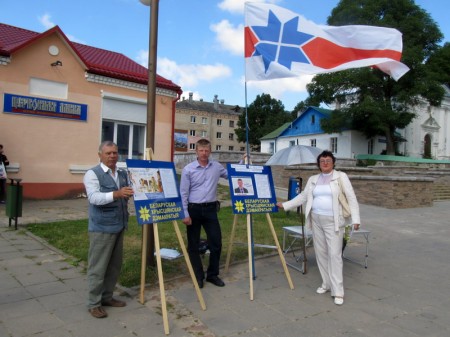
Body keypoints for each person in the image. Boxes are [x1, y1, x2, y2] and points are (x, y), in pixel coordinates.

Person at [276, 150, 360, 306]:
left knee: (334, 255)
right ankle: (326, 284)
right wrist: (286, 205)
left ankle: (338, 291)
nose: (325, 163)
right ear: (319, 164)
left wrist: (356, 219)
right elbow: (303, 196)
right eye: (322, 161)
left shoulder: (341, 177)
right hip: (316, 220)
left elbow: (351, 198)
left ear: (333, 162)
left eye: (328, 160)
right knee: (320, 253)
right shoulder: (313, 179)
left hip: (333, 221)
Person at [83, 141, 134, 318]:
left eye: (115, 152)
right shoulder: (92, 174)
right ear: (100, 155)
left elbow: (130, 190)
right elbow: (94, 198)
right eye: (108, 153)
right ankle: (93, 303)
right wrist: (117, 194)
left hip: (119, 225)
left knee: (114, 266)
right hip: (102, 228)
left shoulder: (120, 173)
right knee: (98, 267)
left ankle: (107, 297)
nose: (112, 156)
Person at [180, 139, 228, 288]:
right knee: (193, 244)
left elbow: (231, 174)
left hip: (210, 209)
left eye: (206, 150)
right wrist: (185, 213)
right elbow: (183, 193)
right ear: (196, 151)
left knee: (216, 242)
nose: (204, 153)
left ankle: (212, 275)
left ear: (210, 151)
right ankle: (198, 276)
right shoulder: (188, 169)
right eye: (201, 150)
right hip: (193, 209)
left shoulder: (217, 167)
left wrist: (243, 162)